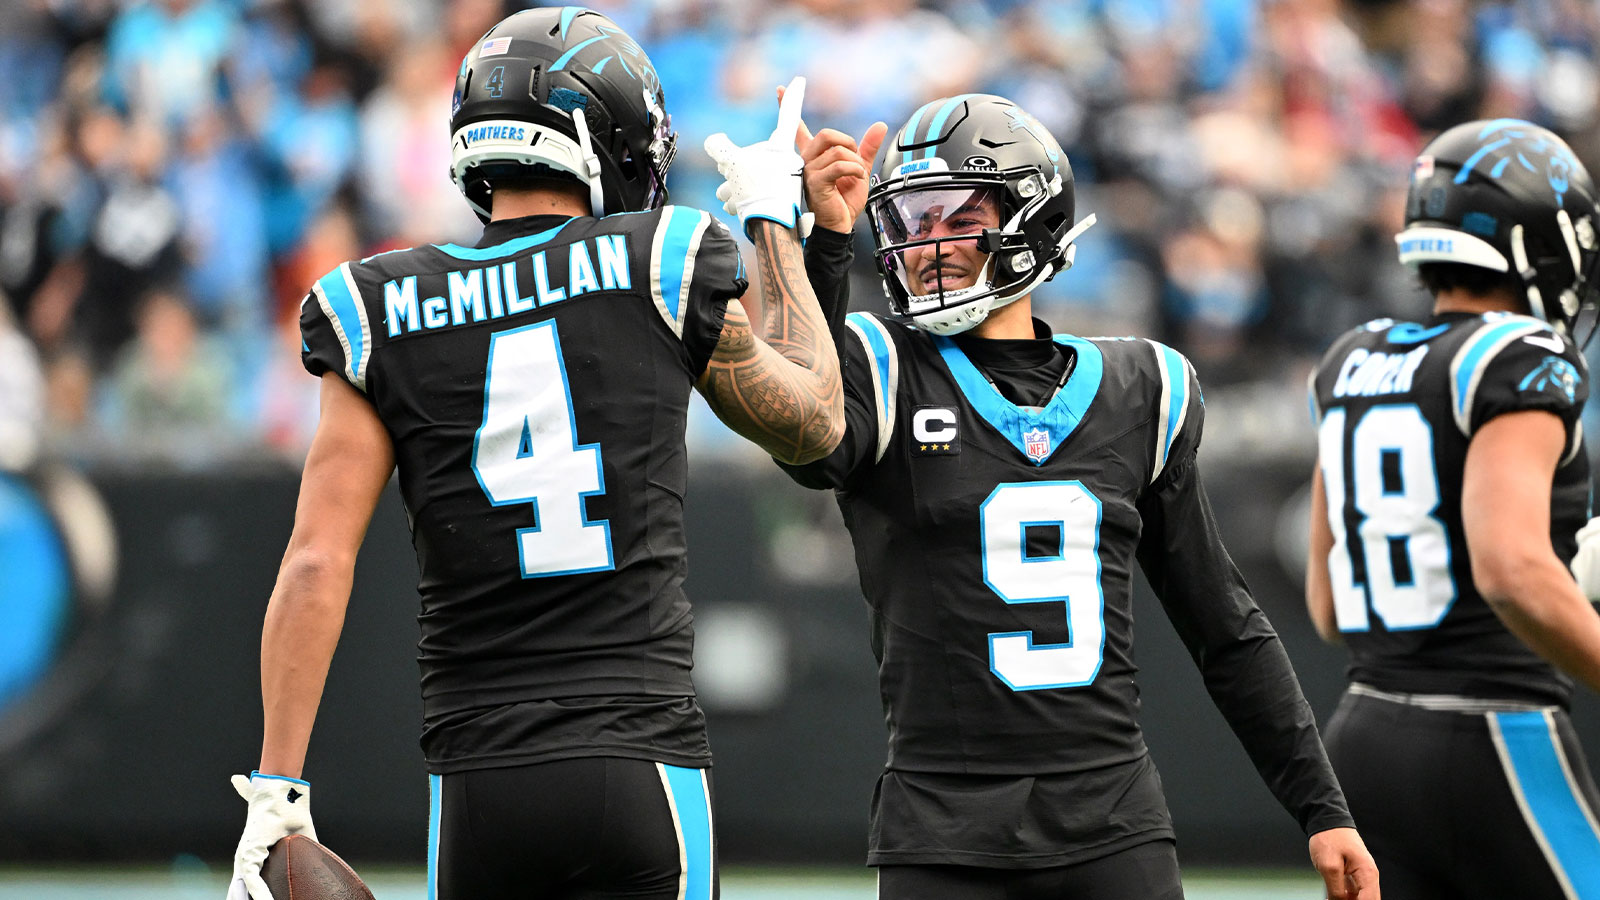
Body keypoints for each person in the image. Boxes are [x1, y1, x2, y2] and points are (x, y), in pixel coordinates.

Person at [225, 9, 848, 900]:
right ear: (609, 134)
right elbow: (818, 423)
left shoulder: (376, 305)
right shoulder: (659, 258)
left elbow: (316, 562)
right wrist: (776, 221)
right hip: (637, 758)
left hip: (476, 779)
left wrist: (278, 788)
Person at [782, 93, 1379, 900]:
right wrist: (821, 240)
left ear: (1030, 214)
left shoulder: (1141, 387)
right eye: (909, 223)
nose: (927, 246)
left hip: (1110, 824)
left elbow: (1222, 624)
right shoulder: (885, 366)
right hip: (942, 828)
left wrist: (1322, 806)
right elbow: (809, 433)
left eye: (952, 215)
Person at [1306, 118, 1600, 899]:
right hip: (1493, 731)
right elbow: (1512, 570)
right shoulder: (1519, 357)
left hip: (1362, 736)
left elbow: (1329, 604)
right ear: (1541, 237)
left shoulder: (1350, 360)